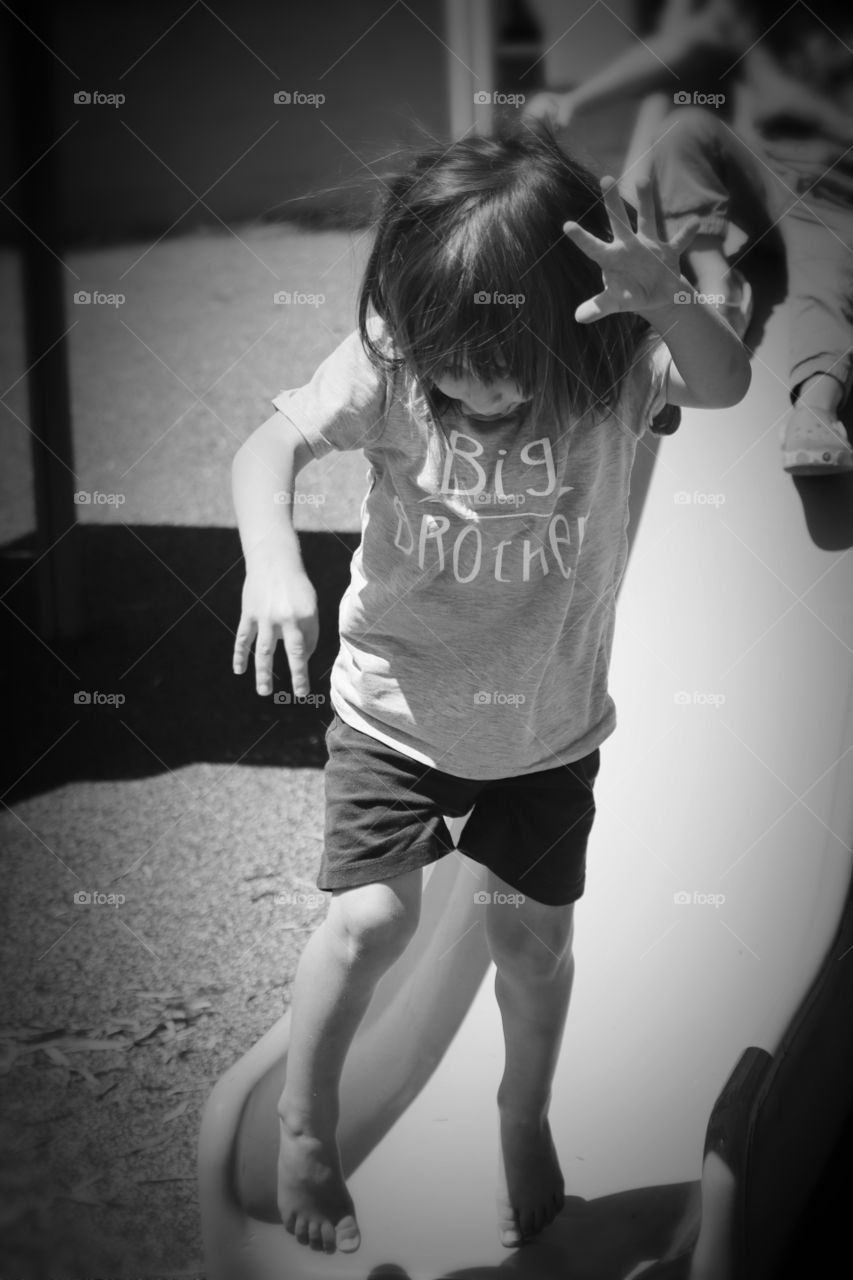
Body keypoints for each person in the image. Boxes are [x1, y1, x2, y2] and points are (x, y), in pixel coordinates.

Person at [230, 124, 750, 1256]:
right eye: (445, 358)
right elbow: (266, 450)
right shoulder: (393, 360)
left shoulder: (614, 365)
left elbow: (726, 383)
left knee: (532, 945)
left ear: (566, 320)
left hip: (547, 729)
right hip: (394, 710)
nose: (467, 384)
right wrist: (273, 561)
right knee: (368, 921)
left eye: (498, 361)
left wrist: (668, 300)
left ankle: (522, 1108)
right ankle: (305, 1122)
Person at [525, 0, 853, 475]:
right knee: (684, 129)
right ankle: (719, 282)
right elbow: (676, 47)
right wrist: (575, 101)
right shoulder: (761, 16)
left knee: (823, 282)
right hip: (765, 173)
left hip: (833, 199)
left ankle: (815, 410)